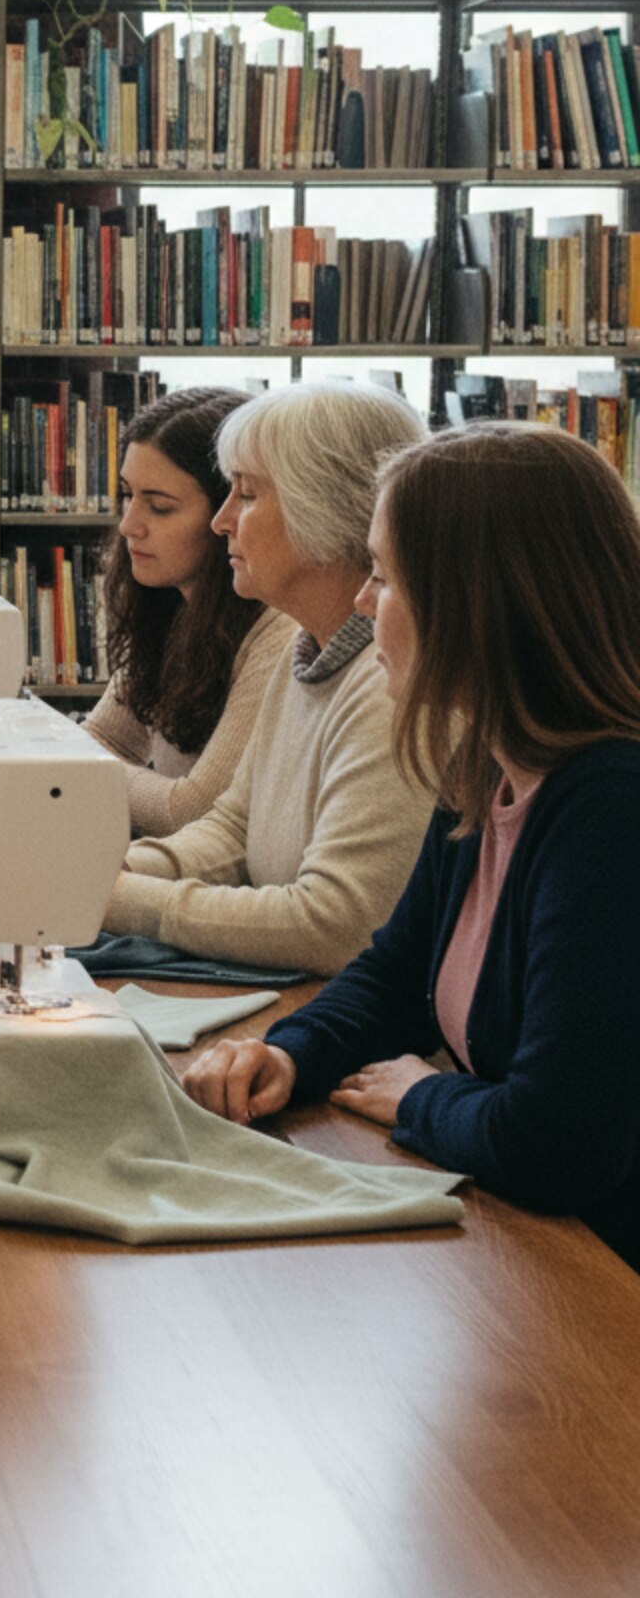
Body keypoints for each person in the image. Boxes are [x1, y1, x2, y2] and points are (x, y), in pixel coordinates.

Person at [183, 424, 640, 1270]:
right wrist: (290, 1053)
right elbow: (397, 972)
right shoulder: (481, 766)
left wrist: (423, 1096)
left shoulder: (609, 808)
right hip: (533, 1252)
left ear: (475, 602)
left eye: (386, 577)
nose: (363, 601)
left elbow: (559, 1142)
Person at [102, 379, 431, 974]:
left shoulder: (390, 687)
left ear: (322, 509)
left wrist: (120, 898)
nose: (224, 520)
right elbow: (232, 829)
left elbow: (335, 924)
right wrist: (114, 872)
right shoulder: (304, 649)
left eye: (247, 496)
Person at [83, 386, 294, 836]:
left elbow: (193, 811)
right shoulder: (173, 607)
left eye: (159, 507)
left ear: (229, 511)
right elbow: (103, 739)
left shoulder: (279, 633)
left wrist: (79, 768)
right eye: (127, 496)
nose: (128, 525)